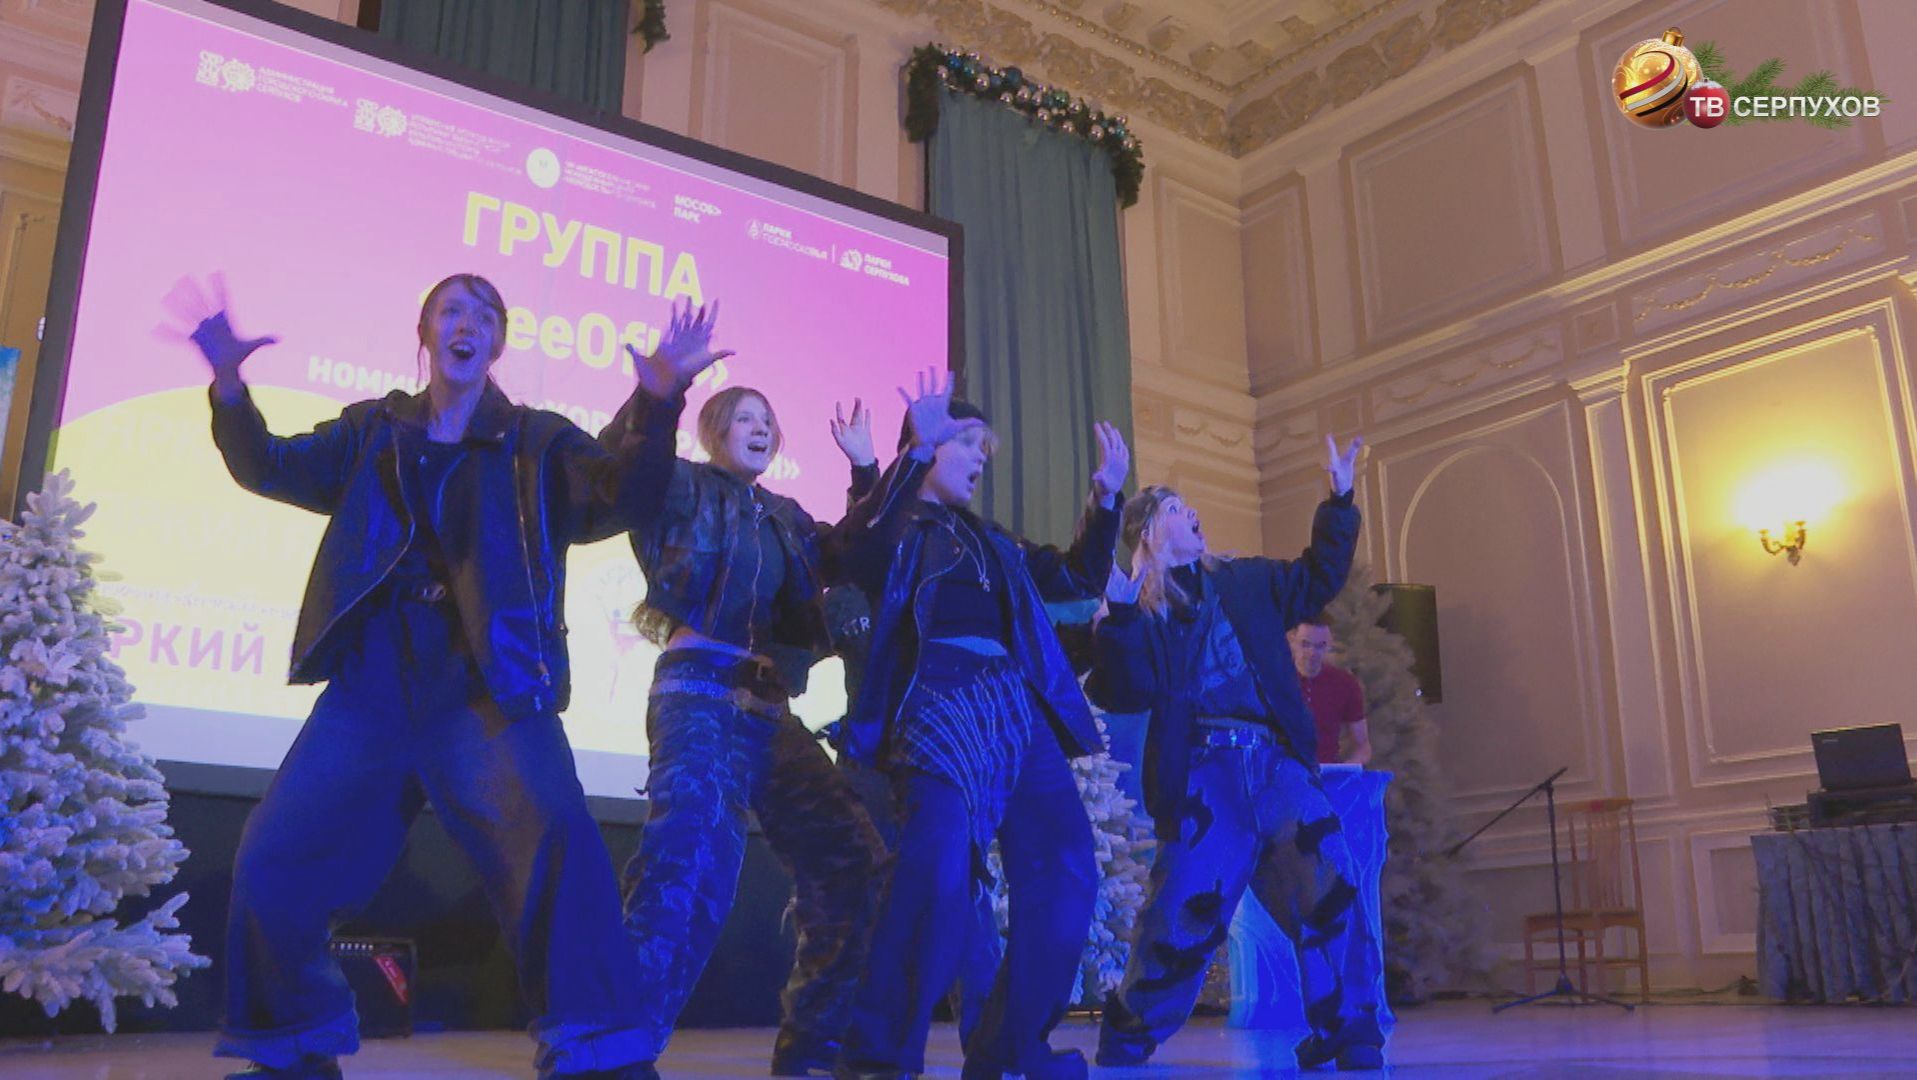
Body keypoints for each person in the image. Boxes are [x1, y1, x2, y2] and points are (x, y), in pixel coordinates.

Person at [180, 273, 715, 1080]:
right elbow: (269, 466)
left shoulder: (537, 442)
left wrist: (661, 400)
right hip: (374, 679)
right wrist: (228, 385)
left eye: (484, 314)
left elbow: (622, 496)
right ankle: (293, 1049)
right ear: (425, 333)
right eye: (451, 310)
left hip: (485, 681)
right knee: (275, 854)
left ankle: (599, 1053)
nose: (467, 323)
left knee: (556, 845)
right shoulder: (373, 431)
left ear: (496, 344)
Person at [829, 370, 1128, 1080]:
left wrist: (1106, 499)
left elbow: (1076, 580)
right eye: (966, 443)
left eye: (982, 450)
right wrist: (906, 458)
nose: (980, 459)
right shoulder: (894, 524)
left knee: (1065, 872)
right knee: (932, 873)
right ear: (927, 444)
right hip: (937, 699)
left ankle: (1009, 1051)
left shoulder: (994, 540)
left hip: (1015, 708)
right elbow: (855, 552)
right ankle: (878, 1057)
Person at [614, 384, 890, 1077]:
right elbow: (632, 474)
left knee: (852, 856)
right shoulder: (683, 487)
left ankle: (810, 1049)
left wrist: (865, 470)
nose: (761, 427)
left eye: (768, 419)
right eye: (745, 417)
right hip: (699, 691)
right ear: (714, 430)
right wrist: (661, 392)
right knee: (688, 863)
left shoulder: (787, 517)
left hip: (768, 707)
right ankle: (617, 1051)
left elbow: (857, 554)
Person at [1089, 435, 1389, 1072]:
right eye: (1176, 509)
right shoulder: (1141, 610)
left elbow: (1316, 577)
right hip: (1206, 775)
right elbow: (1125, 690)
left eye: (1190, 506)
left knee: (1331, 884)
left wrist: (1339, 499)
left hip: (1277, 765)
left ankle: (1351, 1030)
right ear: (1149, 533)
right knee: (1181, 910)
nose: (1193, 512)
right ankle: (1129, 1035)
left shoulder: (1246, 581)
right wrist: (1119, 619)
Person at [1290, 618, 1372, 765]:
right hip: (1281, 772)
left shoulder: (1345, 684)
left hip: (1326, 772)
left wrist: (1347, 767)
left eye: (1320, 646)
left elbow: (1363, 746)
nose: (1312, 653)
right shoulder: (1274, 680)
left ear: (1329, 645)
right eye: (1305, 644)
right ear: (1292, 640)